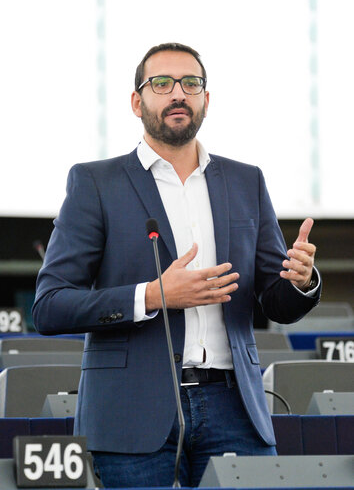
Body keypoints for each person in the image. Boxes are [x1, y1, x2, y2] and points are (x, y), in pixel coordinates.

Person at [32, 42, 321, 487]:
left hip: (236, 410)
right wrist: (152, 295)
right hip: (132, 413)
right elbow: (50, 306)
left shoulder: (247, 180)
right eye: (161, 83)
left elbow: (274, 302)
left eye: (191, 83)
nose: (178, 94)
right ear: (137, 101)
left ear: (207, 98)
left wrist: (300, 281)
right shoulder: (95, 183)